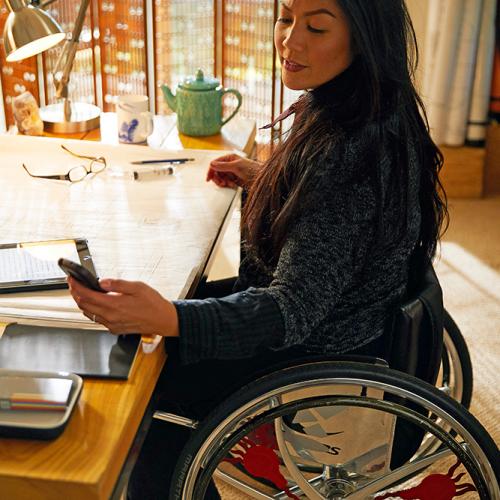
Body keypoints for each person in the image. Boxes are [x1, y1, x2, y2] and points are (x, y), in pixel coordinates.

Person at [68, 0, 447, 498]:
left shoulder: (347, 150)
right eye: (287, 17)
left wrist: (172, 319)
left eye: (316, 26)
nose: (290, 40)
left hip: (321, 371)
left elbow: (289, 309)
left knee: (143, 386)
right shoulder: (374, 105)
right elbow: (338, 230)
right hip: (356, 333)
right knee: (171, 311)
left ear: (364, 38)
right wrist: (273, 182)